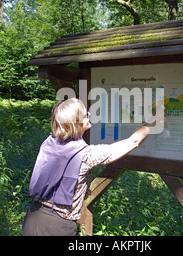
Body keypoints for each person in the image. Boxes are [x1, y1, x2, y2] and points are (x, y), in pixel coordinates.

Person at [21, 97, 163, 236]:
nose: (89, 115)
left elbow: (54, 174)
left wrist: (78, 188)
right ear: (76, 123)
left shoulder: (50, 143)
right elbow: (133, 142)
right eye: (85, 114)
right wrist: (154, 121)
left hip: (34, 216)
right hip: (57, 226)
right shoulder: (86, 155)